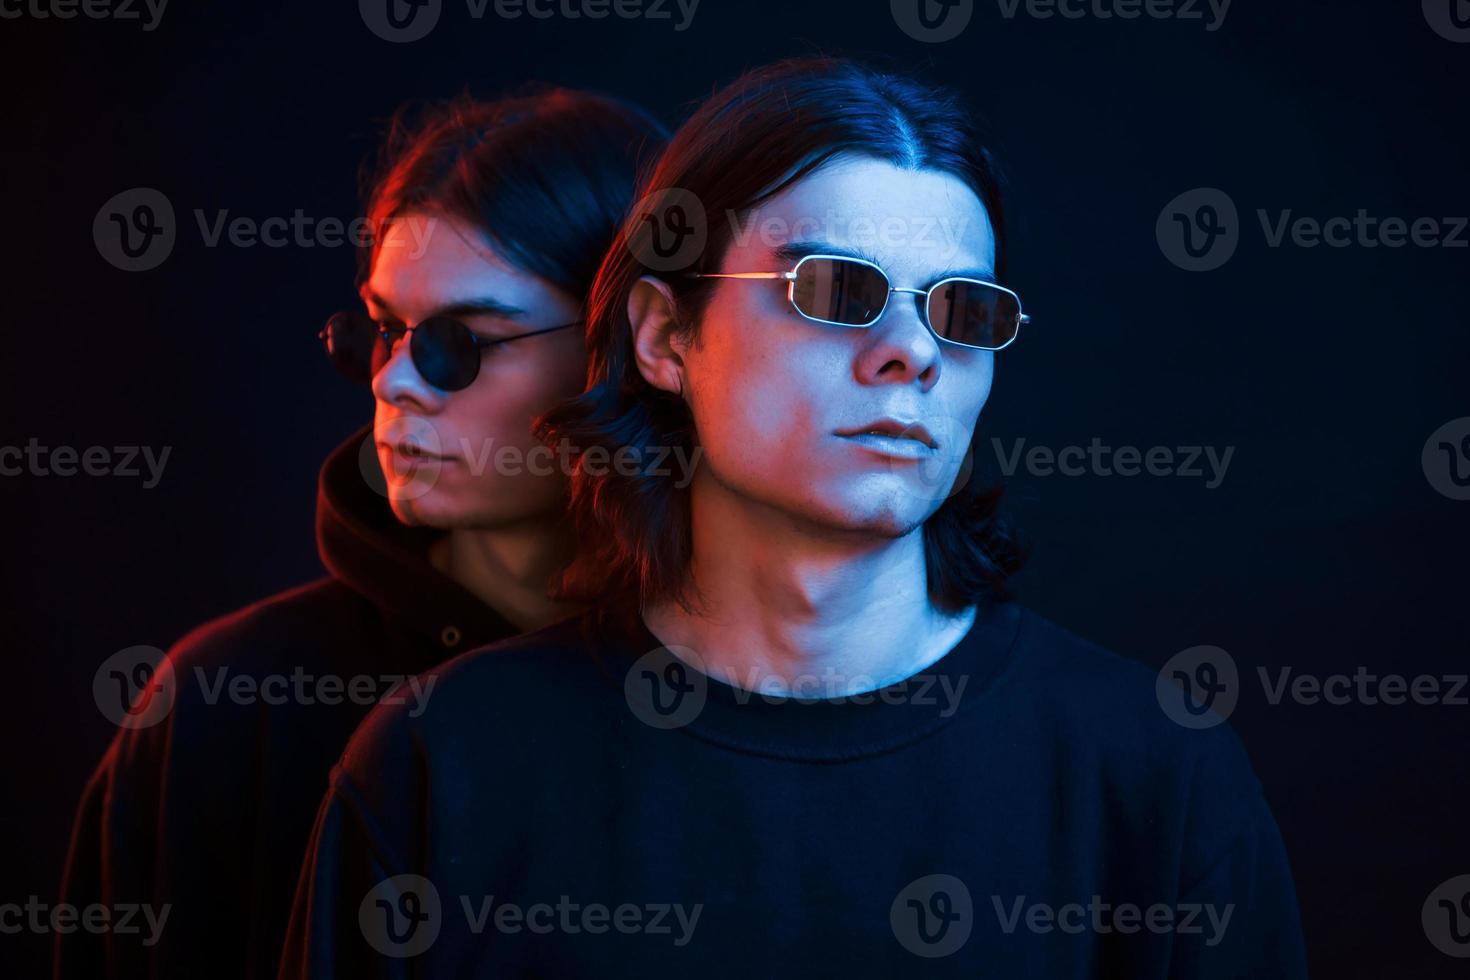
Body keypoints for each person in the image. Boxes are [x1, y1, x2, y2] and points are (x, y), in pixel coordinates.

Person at [279, 57, 1308, 977]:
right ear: (665, 335)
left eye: (963, 309)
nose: (911, 351)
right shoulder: (445, 762)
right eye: (836, 289)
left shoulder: (1151, 772)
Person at [54, 87, 666, 980]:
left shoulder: (736, 679)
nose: (395, 382)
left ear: (634, 345)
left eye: (463, 341)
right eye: (383, 330)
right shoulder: (230, 708)